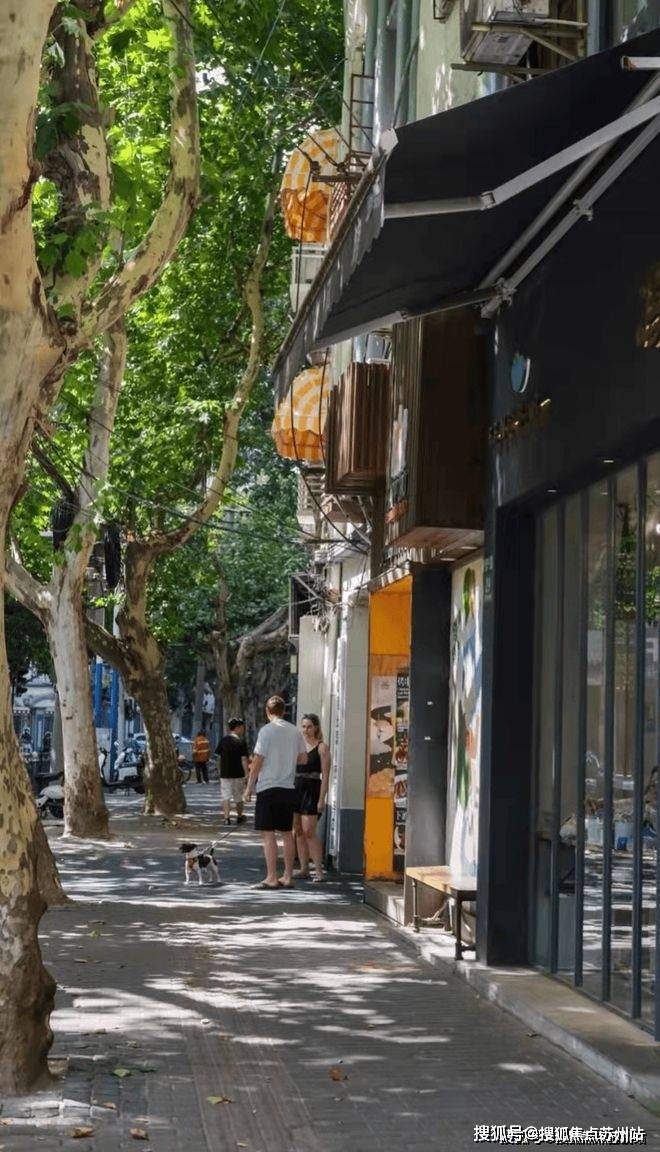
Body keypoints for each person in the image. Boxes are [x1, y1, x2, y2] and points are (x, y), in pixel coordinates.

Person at [244, 695, 307, 889]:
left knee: (268, 833)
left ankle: (271, 877)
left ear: (267, 711)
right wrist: (287, 759)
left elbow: (258, 760)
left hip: (268, 787)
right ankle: (288, 876)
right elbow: (303, 759)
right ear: (284, 711)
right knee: (287, 833)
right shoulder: (295, 731)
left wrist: (249, 786)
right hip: (288, 787)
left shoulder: (266, 730)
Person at [293, 713, 330, 882]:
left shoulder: (322, 747)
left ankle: (319, 871)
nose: (306, 730)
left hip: (312, 789)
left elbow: (326, 776)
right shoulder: (297, 746)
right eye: (303, 726)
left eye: (309, 726)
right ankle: (304, 869)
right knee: (298, 830)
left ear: (316, 727)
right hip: (295, 788)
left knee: (309, 831)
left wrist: (321, 799)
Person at [217, 718, 249, 826]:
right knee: (238, 796)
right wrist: (246, 773)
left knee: (225, 796)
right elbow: (244, 759)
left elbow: (219, 757)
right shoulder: (241, 742)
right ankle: (239, 817)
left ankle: (227, 818)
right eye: (242, 727)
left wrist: (220, 770)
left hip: (225, 773)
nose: (243, 730)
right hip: (238, 773)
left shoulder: (223, 740)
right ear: (237, 728)